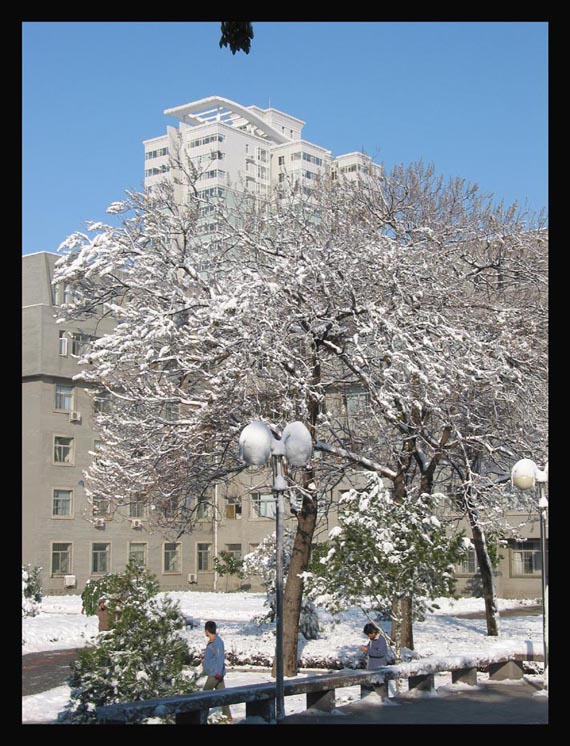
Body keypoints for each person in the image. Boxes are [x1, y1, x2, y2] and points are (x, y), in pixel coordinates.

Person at [202, 620, 232, 722]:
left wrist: (218, 673)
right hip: (214, 672)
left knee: (205, 694)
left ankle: (202, 715)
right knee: (222, 695)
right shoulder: (212, 642)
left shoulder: (217, 642)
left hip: (215, 674)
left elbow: (220, 658)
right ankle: (227, 715)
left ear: (206, 630)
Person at [360, 622, 389, 697]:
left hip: (379, 670)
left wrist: (367, 650)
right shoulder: (372, 640)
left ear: (373, 632)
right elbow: (370, 648)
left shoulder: (381, 640)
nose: (369, 636)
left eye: (369, 634)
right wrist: (365, 648)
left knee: (379, 694)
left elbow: (381, 653)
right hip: (371, 669)